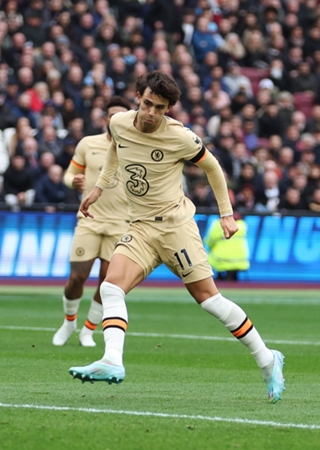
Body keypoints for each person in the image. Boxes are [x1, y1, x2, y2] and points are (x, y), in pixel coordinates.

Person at [69, 71, 285, 403]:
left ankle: (268, 360)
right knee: (111, 287)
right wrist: (99, 186)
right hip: (140, 226)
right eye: (148, 104)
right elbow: (115, 149)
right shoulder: (118, 123)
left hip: (176, 227)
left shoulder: (181, 137)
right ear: (138, 96)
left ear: (169, 108)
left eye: (161, 107)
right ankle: (112, 360)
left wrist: (226, 213)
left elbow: (213, 167)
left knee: (210, 301)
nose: (152, 113)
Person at [52, 96, 132, 347]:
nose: (115, 120)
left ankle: (88, 330)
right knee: (77, 276)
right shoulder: (88, 144)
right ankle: (68, 322)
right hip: (89, 219)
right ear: (106, 119)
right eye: (112, 115)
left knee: (108, 282)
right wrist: (71, 182)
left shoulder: (137, 147)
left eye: (121, 115)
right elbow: (69, 173)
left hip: (121, 224)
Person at [205, 211, 250, 281]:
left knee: (208, 253)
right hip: (241, 261)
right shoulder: (243, 225)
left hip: (221, 261)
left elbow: (209, 242)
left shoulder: (218, 224)